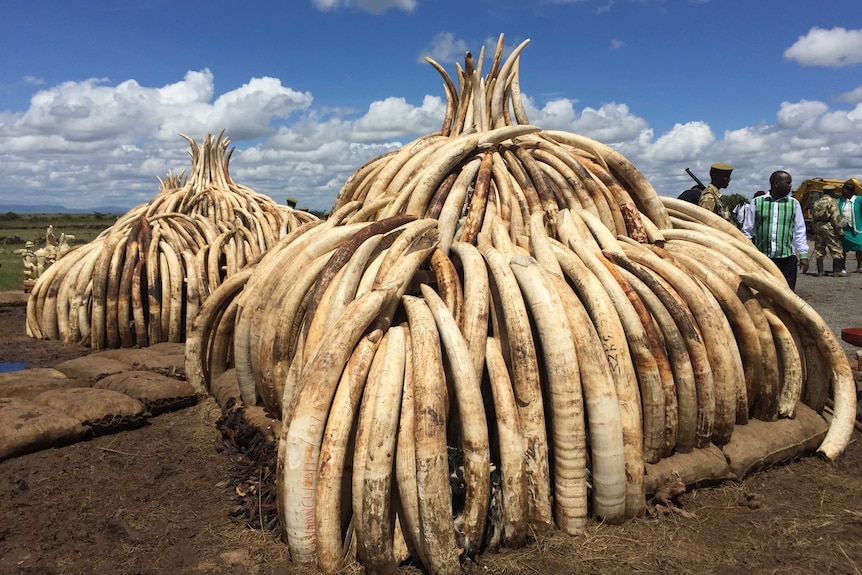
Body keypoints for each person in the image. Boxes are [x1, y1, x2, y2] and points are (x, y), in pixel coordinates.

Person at [741, 170, 809, 290]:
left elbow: (799, 231)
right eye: (788, 183)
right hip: (763, 259)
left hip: (787, 259)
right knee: (764, 292)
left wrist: (803, 255)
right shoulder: (758, 202)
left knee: (787, 294)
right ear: (776, 183)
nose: (790, 186)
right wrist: (748, 253)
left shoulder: (794, 204)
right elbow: (747, 231)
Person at [810, 184, 845, 276]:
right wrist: (839, 230)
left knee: (819, 249)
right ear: (831, 192)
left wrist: (814, 228)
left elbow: (813, 216)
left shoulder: (817, 202)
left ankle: (820, 271)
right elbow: (835, 217)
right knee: (836, 248)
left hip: (818, 226)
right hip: (828, 226)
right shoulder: (832, 201)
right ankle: (837, 271)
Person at [837, 179, 862, 273]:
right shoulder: (839, 200)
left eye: (845, 191)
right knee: (842, 248)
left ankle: (860, 266)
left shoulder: (859, 200)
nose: (843, 192)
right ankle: (842, 267)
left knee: (860, 245)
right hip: (844, 228)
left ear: (851, 192)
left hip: (856, 228)